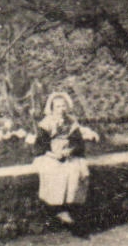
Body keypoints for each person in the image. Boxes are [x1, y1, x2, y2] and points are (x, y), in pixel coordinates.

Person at [30, 92, 94, 234]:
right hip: (49, 155)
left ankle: (70, 207)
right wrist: (54, 155)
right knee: (54, 171)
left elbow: (78, 142)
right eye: (58, 107)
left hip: (68, 153)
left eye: (63, 106)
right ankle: (57, 208)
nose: (61, 109)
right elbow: (40, 146)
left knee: (75, 171)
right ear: (52, 108)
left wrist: (70, 150)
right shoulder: (46, 123)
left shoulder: (71, 122)